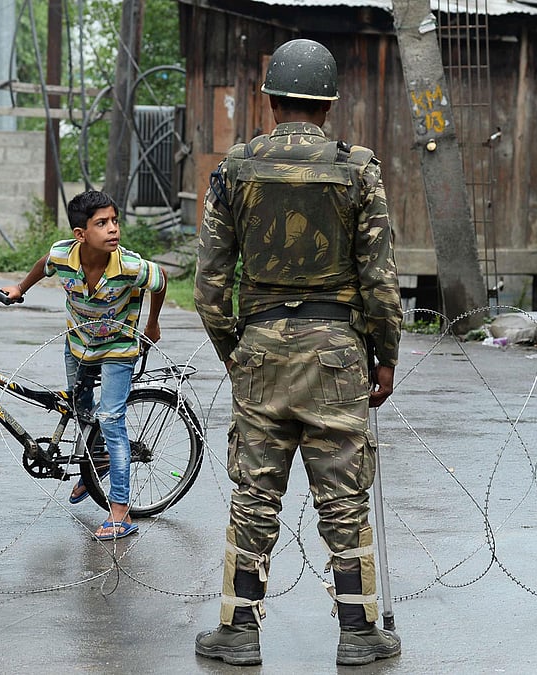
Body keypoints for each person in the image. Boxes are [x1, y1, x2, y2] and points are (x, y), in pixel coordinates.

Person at [192, 38, 403, 666]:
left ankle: (237, 633)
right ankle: (360, 634)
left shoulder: (234, 169)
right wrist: (382, 355)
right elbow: (380, 280)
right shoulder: (357, 168)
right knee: (344, 497)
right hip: (338, 352)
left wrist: (236, 348)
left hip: (259, 351)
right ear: (328, 104)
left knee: (253, 497)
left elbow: (208, 286)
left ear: (272, 98)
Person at [1, 190, 167, 541]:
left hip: (118, 348)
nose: (113, 230)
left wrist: (151, 324)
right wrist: (20, 288)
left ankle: (119, 512)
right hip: (78, 343)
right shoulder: (64, 255)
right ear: (81, 234)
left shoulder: (130, 266)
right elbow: (44, 262)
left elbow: (161, 280)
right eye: (102, 223)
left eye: (115, 221)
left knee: (110, 419)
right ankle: (93, 469)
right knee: (82, 411)